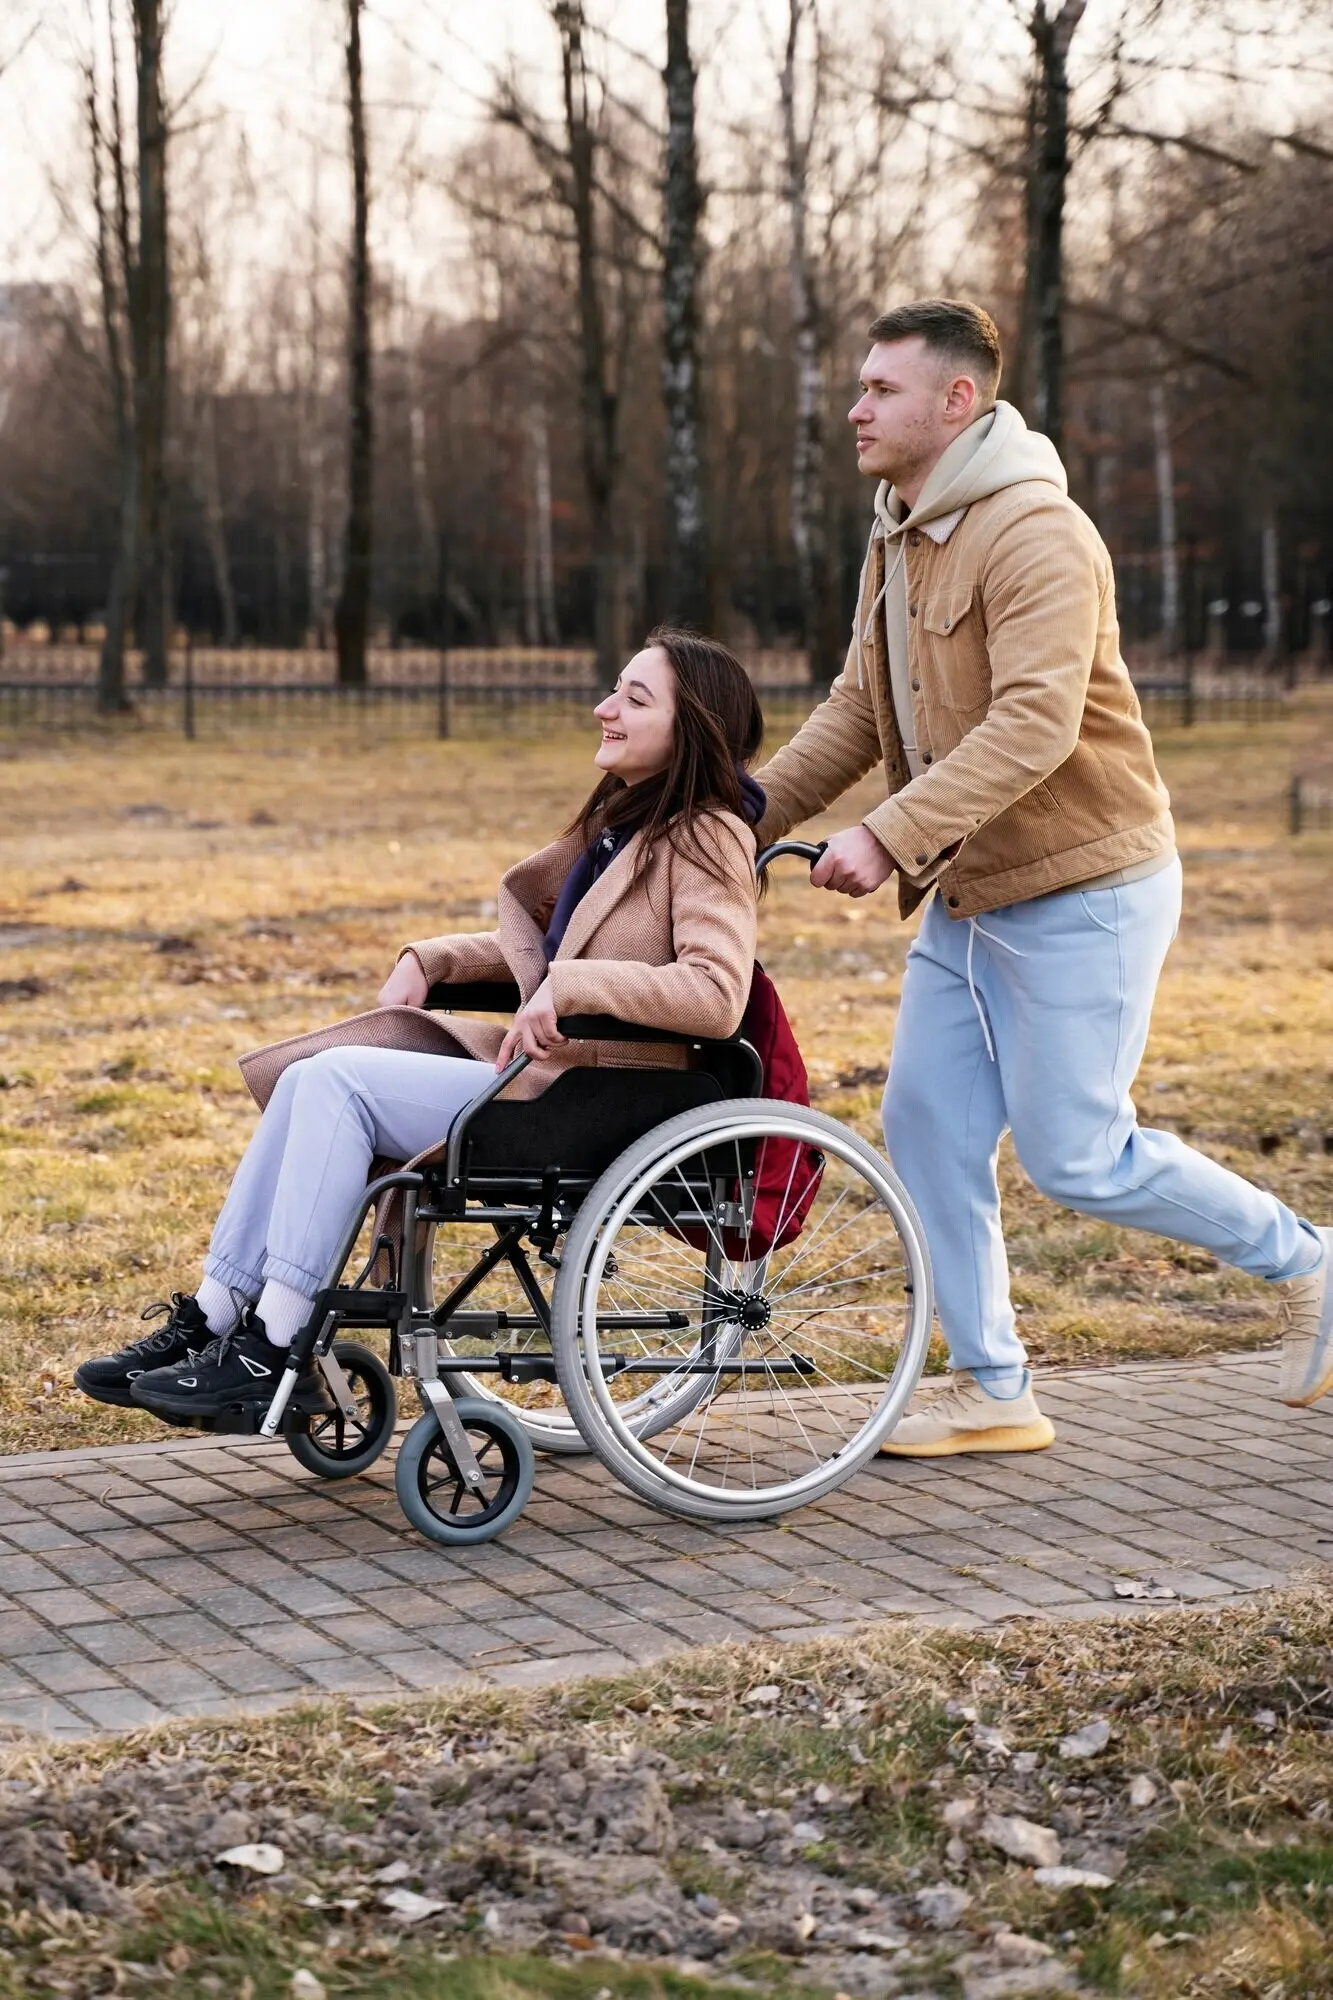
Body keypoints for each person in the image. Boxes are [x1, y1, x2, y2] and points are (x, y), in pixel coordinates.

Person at [753, 296, 1330, 1458]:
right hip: (975, 897)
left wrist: (888, 835)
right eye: (859, 386)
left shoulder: (1036, 532)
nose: (855, 408)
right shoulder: (899, 531)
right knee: (924, 1124)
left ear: (956, 399)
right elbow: (861, 705)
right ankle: (993, 1385)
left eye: (881, 388)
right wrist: (736, 813)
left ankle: (1310, 1260)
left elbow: (1033, 724)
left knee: (1079, 1156)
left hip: (1087, 887)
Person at [76, 629, 763, 1424]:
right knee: (308, 1079)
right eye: (615, 688)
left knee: (337, 1083)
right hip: (554, 1080)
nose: (603, 709)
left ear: (694, 726)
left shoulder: (707, 832)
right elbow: (556, 951)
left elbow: (715, 993)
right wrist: (433, 961)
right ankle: (216, 1313)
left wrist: (571, 985)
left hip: (604, 1097)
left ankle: (275, 1346)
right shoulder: (625, 826)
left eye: (634, 699)